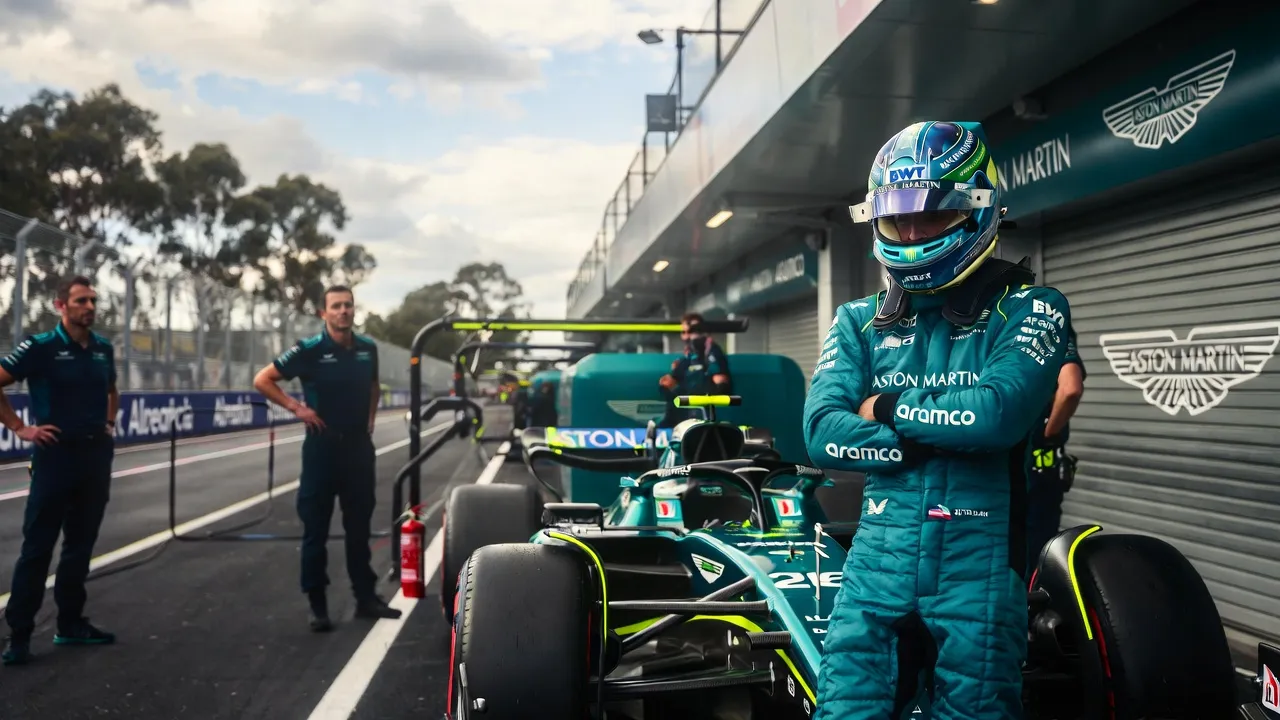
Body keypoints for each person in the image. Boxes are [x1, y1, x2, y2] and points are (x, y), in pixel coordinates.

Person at [804, 121, 1071, 720]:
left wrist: (890, 411)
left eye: (933, 217)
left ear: (980, 210)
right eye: (899, 221)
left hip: (978, 572)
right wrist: (925, 443)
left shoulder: (1033, 308)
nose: (913, 233)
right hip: (874, 567)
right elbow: (823, 435)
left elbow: (995, 417)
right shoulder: (857, 320)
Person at [253, 285, 401, 632]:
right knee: (315, 529)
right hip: (322, 449)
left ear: (354, 310)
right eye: (336, 306)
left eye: (348, 305)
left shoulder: (368, 349)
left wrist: (370, 418)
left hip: (358, 450)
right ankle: (317, 604)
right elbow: (263, 379)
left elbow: (375, 386)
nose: (343, 311)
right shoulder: (310, 350)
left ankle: (366, 597)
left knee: (359, 527)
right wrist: (296, 408)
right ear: (324, 313)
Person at [0, 275, 119, 666]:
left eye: (93, 301)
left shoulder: (103, 349)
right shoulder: (41, 346)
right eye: (81, 300)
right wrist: (20, 427)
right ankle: (18, 633)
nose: (89, 307)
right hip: (55, 457)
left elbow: (112, 390)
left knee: (80, 546)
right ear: (61, 306)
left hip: (95, 457)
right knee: (38, 547)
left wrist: (109, 424)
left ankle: (70, 623)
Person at [1025, 325, 1085, 575]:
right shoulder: (1047, 320)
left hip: (996, 469)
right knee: (1037, 555)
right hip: (1039, 470)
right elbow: (1071, 388)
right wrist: (1049, 433)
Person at [657, 312, 732, 428]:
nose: (687, 336)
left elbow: (720, 382)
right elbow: (674, 380)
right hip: (685, 413)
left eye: (691, 331)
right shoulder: (688, 357)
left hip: (703, 415)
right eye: (684, 332)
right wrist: (669, 382)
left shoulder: (712, 351)